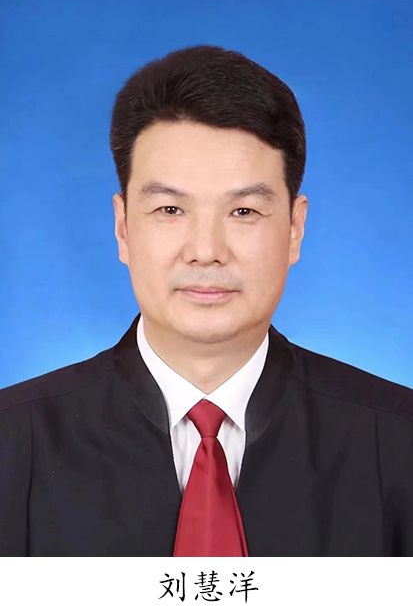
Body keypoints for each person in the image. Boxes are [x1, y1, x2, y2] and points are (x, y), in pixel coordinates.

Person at [1, 44, 412, 557]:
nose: (206, 251)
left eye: (243, 212)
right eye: (170, 209)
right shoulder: (13, 443)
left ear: (294, 228)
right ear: (123, 227)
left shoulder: (397, 441)